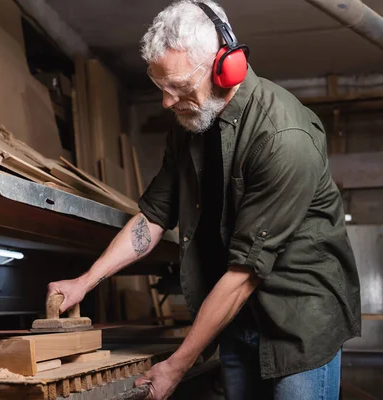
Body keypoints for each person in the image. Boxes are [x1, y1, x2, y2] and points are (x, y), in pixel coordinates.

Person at [46, 1, 362, 399]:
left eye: (177, 87)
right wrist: (84, 282)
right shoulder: (188, 123)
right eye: (161, 87)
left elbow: (245, 271)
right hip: (233, 317)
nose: (166, 102)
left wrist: (177, 366)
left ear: (224, 67)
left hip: (299, 322)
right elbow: (154, 216)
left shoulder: (284, 138)